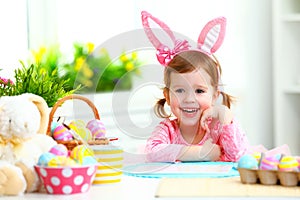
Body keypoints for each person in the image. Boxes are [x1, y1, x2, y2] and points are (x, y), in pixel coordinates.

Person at [141, 11, 249, 162]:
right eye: (179, 90)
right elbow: (152, 153)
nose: (189, 99)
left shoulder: (217, 129)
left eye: (199, 91)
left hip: (213, 185)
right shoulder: (168, 130)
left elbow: (240, 156)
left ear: (214, 96)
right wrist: (200, 153)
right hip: (177, 185)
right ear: (167, 96)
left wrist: (225, 115)